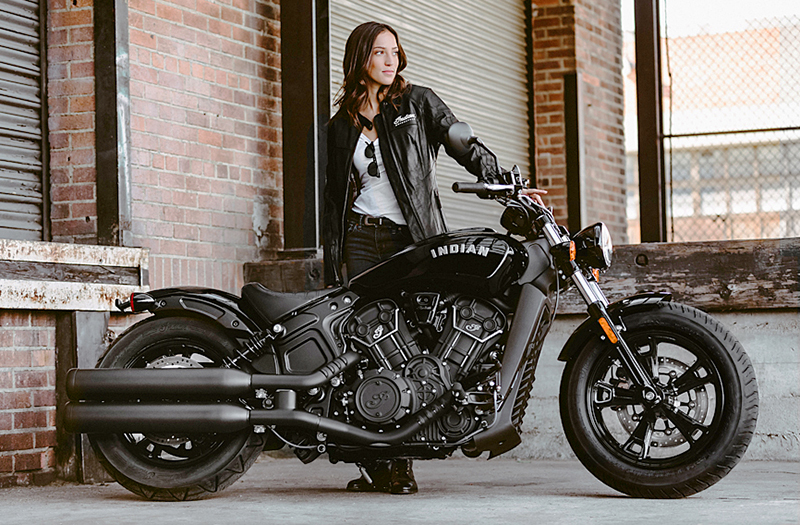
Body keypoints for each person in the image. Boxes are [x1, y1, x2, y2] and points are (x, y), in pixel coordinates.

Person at [322, 21, 545, 495]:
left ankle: (406, 458)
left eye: (395, 52)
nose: (390, 60)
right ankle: (381, 463)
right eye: (380, 52)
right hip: (361, 240)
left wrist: (505, 180)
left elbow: (460, 140)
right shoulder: (340, 124)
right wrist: (332, 260)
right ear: (360, 58)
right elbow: (330, 200)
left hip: (414, 239)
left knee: (414, 343)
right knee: (367, 343)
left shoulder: (417, 102)